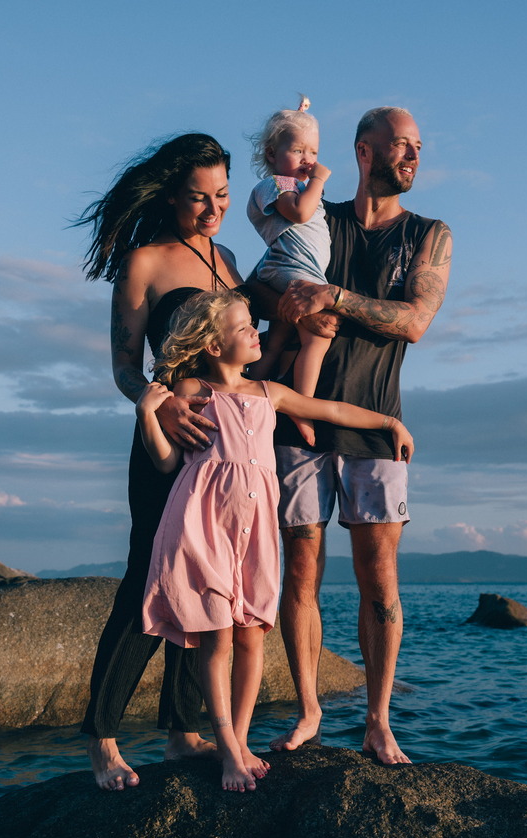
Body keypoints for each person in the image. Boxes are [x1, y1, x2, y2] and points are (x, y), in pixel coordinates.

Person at [135, 290, 414, 792]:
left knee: (250, 634)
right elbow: (164, 462)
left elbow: (329, 409)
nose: (256, 334)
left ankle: (238, 740)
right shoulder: (191, 389)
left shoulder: (269, 392)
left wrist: (389, 421)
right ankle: (227, 749)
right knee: (218, 637)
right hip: (203, 527)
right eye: (244, 328)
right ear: (215, 347)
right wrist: (147, 416)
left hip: (255, 532)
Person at [269, 106, 452, 764]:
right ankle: (309, 710)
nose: (412, 155)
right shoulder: (319, 221)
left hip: (377, 425)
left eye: (418, 146)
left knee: (379, 581)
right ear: (363, 152)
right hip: (296, 422)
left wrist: (332, 299)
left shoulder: (428, 235)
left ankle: (377, 720)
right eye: (400, 144)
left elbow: (414, 321)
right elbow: (274, 267)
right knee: (300, 575)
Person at [75, 133, 245, 791]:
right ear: (171, 196)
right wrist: (155, 399)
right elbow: (123, 365)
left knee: (201, 580)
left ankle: (182, 730)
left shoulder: (228, 258)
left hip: (221, 447)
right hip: (165, 442)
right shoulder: (144, 261)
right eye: (198, 198)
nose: (212, 210)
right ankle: (102, 738)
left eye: (222, 195)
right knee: (148, 576)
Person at [247, 98, 333, 446]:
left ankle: (249, 393)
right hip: (291, 271)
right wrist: (319, 180)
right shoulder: (275, 186)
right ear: (271, 154)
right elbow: (299, 213)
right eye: (297, 150)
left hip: (300, 270)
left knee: (279, 339)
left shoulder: (296, 185)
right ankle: (302, 407)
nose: (308, 160)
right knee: (319, 336)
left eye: (312, 151)